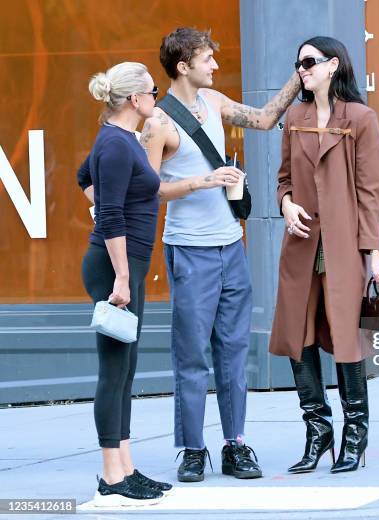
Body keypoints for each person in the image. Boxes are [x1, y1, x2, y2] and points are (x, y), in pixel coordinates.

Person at [140, 27, 301, 482]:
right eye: (207, 59)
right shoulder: (158, 124)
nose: (215, 66)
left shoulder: (218, 104)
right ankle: (193, 449)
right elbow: (148, 190)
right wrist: (200, 182)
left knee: (232, 351)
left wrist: (298, 76)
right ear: (183, 66)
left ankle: (235, 444)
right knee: (192, 354)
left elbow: (267, 119)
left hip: (232, 246)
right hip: (189, 249)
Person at [269, 36, 379, 474]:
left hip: (344, 248)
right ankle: (317, 432)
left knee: (348, 338)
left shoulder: (360, 118)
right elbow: (283, 179)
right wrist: (286, 205)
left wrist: (373, 252)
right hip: (302, 247)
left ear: (332, 65)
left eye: (308, 62)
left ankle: (354, 437)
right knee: (297, 338)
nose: (301, 70)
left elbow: (371, 192)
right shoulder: (295, 117)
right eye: (298, 63)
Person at [79, 62, 172, 505]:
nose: (157, 97)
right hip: (115, 266)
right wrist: (121, 276)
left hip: (127, 262)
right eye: (153, 91)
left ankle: (126, 468)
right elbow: (110, 212)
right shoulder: (115, 145)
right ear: (135, 100)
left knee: (126, 369)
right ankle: (111, 476)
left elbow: (85, 179)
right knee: (113, 370)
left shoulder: (122, 142)